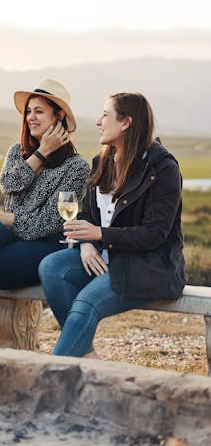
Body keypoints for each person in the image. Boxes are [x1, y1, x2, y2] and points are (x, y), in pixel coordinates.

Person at [38, 92, 186, 357]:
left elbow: (155, 234)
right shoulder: (104, 161)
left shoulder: (162, 168)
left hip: (147, 266)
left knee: (87, 301)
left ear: (126, 123)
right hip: (105, 259)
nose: (98, 121)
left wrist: (99, 234)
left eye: (105, 114)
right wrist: (85, 243)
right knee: (52, 267)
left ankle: (51, 379)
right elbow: (86, 215)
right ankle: (86, 357)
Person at [0, 78, 90, 347]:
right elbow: (9, 184)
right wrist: (41, 153)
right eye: (28, 111)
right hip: (9, 239)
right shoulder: (17, 152)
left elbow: (45, 224)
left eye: (39, 111)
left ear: (58, 116)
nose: (30, 118)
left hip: (45, 247)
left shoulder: (77, 167)